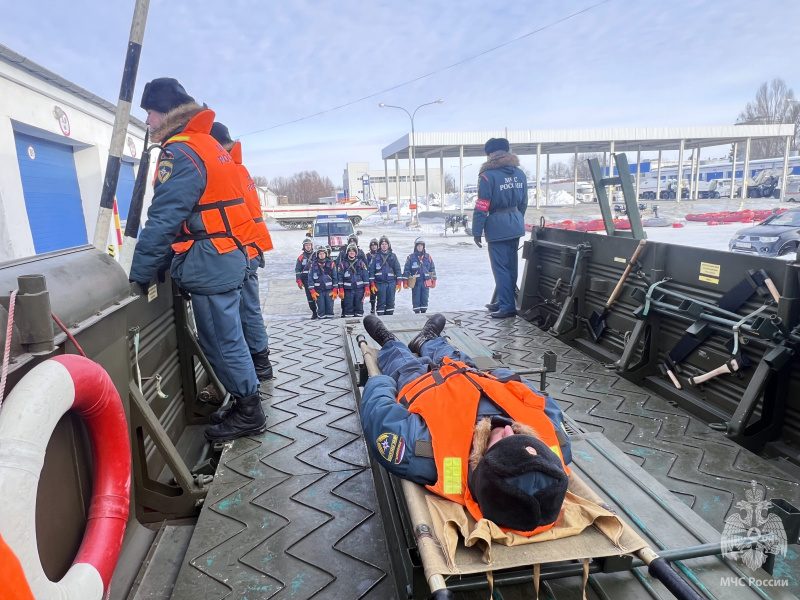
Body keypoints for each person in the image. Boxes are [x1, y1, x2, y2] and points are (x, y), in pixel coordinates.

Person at [129, 77, 265, 443]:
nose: (147, 121)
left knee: (221, 340)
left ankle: (249, 411)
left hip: (210, 260)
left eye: (150, 113)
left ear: (166, 112)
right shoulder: (207, 144)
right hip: (227, 253)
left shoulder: (180, 152)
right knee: (228, 336)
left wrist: (140, 272)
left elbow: (164, 218)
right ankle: (244, 402)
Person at [360, 314, 571, 534]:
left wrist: (380, 382)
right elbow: (536, 397)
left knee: (404, 364)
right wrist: (500, 375)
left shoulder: (427, 454)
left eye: (502, 442)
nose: (509, 428)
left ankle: (390, 343)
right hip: (470, 374)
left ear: (480, 465)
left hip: (420, 381)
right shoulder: (557, 446)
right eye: (521, 437)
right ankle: (428, 340)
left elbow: (380, 415)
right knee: (455, 357)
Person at [210, 122, 274, 381]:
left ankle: (258, 366)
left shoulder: (227, 170)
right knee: (250, 309)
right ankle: (260, 363)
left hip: (241, 250)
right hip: (250, 248)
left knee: (244, 312)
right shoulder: (239, 168)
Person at [472, 137, 527, 319]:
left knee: (501, 268)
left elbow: (482, 206)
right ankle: (505, 299)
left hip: (497, 227)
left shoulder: (487, 176)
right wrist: (515, 219)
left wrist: (477, 231)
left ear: (490, 154)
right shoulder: (520, 174)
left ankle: (506, 306)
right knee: (511, 266)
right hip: (515, 223)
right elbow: (524, 203)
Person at [368, 235, 403, 316]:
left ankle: (389, 319)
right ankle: (381, 319)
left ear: (388, 245)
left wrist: (399, 282)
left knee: (390, 302)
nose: (384, 246)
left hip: (391, 283)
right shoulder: (375, 257)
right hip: (380, 284)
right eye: (382, 244)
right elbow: (371, 271)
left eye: (386, 244)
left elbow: (398, 269)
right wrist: (372, 284)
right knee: (381, 302)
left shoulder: (393, 256)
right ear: (380, 245)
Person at [402, 237, 437, 314]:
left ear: (423, 246)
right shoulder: (411, 257)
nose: (420, 247)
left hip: (426, 283)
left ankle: (424, 314)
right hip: (416, 283)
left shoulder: (428, 257)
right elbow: (406, 270)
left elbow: (432, 269)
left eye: (421, 245)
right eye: (418, 245)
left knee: (425, 299)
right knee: (416, 300)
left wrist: (434, 281)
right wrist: (405, 282)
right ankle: (417, 315)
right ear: (415, 246)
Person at [336, 234, 368, 317]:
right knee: (348, 307)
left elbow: (365, 275)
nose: (352, 252)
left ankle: (360, 323)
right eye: (350, 251)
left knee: (359, 308)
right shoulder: (342, 263)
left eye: (353, 251)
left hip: (359, 289)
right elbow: (340, 276)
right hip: (348, 290)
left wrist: (367, 287)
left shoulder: (361, 263)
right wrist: (341, 289)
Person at [307, 245, 338, 318]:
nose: (322, 255)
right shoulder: (313, 265)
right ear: (317, 254)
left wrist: (335, 289)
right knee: (321, 309)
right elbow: (310, 278)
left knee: (330, 308)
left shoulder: (331, 263)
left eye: (323, 253)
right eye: (320, 254)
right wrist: (312, 291)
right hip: (318, 291)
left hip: (329, 290)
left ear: (326, 254)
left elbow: (335, 277)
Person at [295, 237, 318, 319]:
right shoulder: (301, 257)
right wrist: (298, 280)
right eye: (306, 245)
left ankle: (321, 311)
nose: (308, 247)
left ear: (312, 246)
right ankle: (314, 312)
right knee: (310, 296)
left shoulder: (316, 255)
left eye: (309, 245)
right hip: (306, 280)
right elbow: (297, 269)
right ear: (304, 246)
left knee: (319, 295)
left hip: (316, 279)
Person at [366, 238, 379, 315]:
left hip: (379, 278)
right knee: (372, 294)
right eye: (372, 245)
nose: (374, 247)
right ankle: (372, 307)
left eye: (375, 245)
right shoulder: (367, 256)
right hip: (371, 277)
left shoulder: (380, 255)